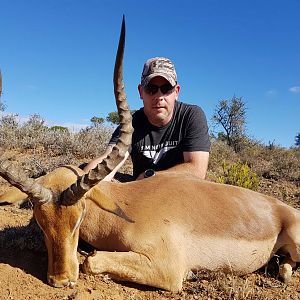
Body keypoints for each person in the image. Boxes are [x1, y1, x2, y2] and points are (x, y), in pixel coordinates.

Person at [84, 57, 210, 180]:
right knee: (84, 169)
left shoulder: (191, 115)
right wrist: (84, 181)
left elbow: (197, 171)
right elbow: (108, 160)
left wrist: (150, 177)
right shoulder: (131, 124)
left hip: (178, 192)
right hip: (140, 194)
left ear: (176, 92)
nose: (159, 96)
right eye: (151, 89)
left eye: (166, 89)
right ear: (140, 92)